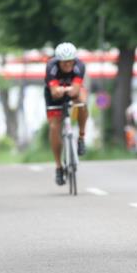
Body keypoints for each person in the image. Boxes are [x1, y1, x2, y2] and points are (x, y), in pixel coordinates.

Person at [45, 42, 88, 186]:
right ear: (58, 61)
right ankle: (58, 166)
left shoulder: (79, 66)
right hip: (53, 97)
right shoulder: (51, 67)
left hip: (71, 91)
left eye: (70, 61)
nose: (68, 65)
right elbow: (54, 93)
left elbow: (76, 90)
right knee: (54, 127)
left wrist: (67, 90)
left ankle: (81, 137)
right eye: (64, 62)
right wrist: (59, 90)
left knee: (82, 102)